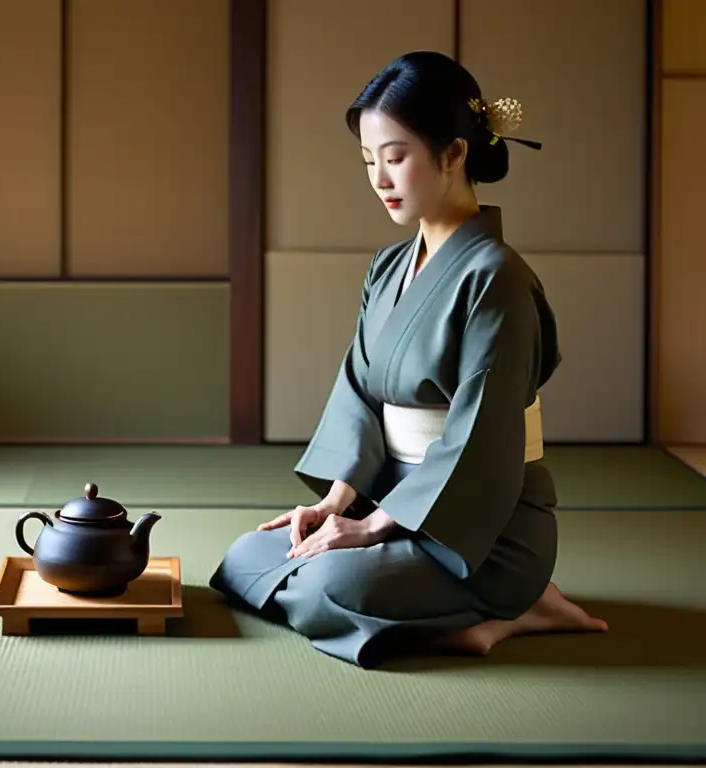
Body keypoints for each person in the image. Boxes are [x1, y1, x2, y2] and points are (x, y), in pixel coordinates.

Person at [209, 51, 608, 667]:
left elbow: (483, 441)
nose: (379, 179)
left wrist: (368, 532)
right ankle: (457, 617)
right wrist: (336, 505)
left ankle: (514, 607)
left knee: (325, 585)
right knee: (244, 559)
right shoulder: (387, 267)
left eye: (395, 158)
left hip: (481, 530)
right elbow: (360, 395)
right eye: (369, 162)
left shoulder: (497, 280)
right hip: (393, 502)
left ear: (454, 154)